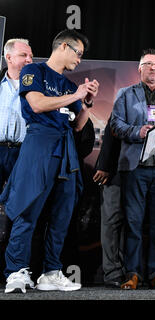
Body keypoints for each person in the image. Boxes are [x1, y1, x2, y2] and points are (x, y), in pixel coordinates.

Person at [0, 29, 99, 293]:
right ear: (63, 47)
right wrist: (77, 96)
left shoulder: (69, 85)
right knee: (28, 208)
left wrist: (87, 103)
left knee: (62, 212)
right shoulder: (34, 72)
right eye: (78, 53)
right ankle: (16, 271)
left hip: (66, 148)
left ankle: (51, 272)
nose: (79, 59)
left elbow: (78, 127)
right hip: (39, 144)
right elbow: (36, 105)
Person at [110, 48, 155, 290]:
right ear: (139, 68)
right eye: (148, 64)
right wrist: (137, 131)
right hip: (135, 167)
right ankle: (132, 273)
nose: (153, 68)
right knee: (132, 222)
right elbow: (115, 124)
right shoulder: (125, 94)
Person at [0, 38, 33, 283]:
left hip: (24, 153)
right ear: (8, 57)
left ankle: (14, 271)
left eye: (31, 56)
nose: (29, 60)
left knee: (21, 212)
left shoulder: (37, 86)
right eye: (24, 55)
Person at [93, 116, 124, 288]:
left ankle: (130, 270)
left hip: (139, 172)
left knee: (132, 222)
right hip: (115, 170)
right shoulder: (126, 99)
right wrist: (104, 165)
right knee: (112, 219)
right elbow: (111, 136)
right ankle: (112, 272)